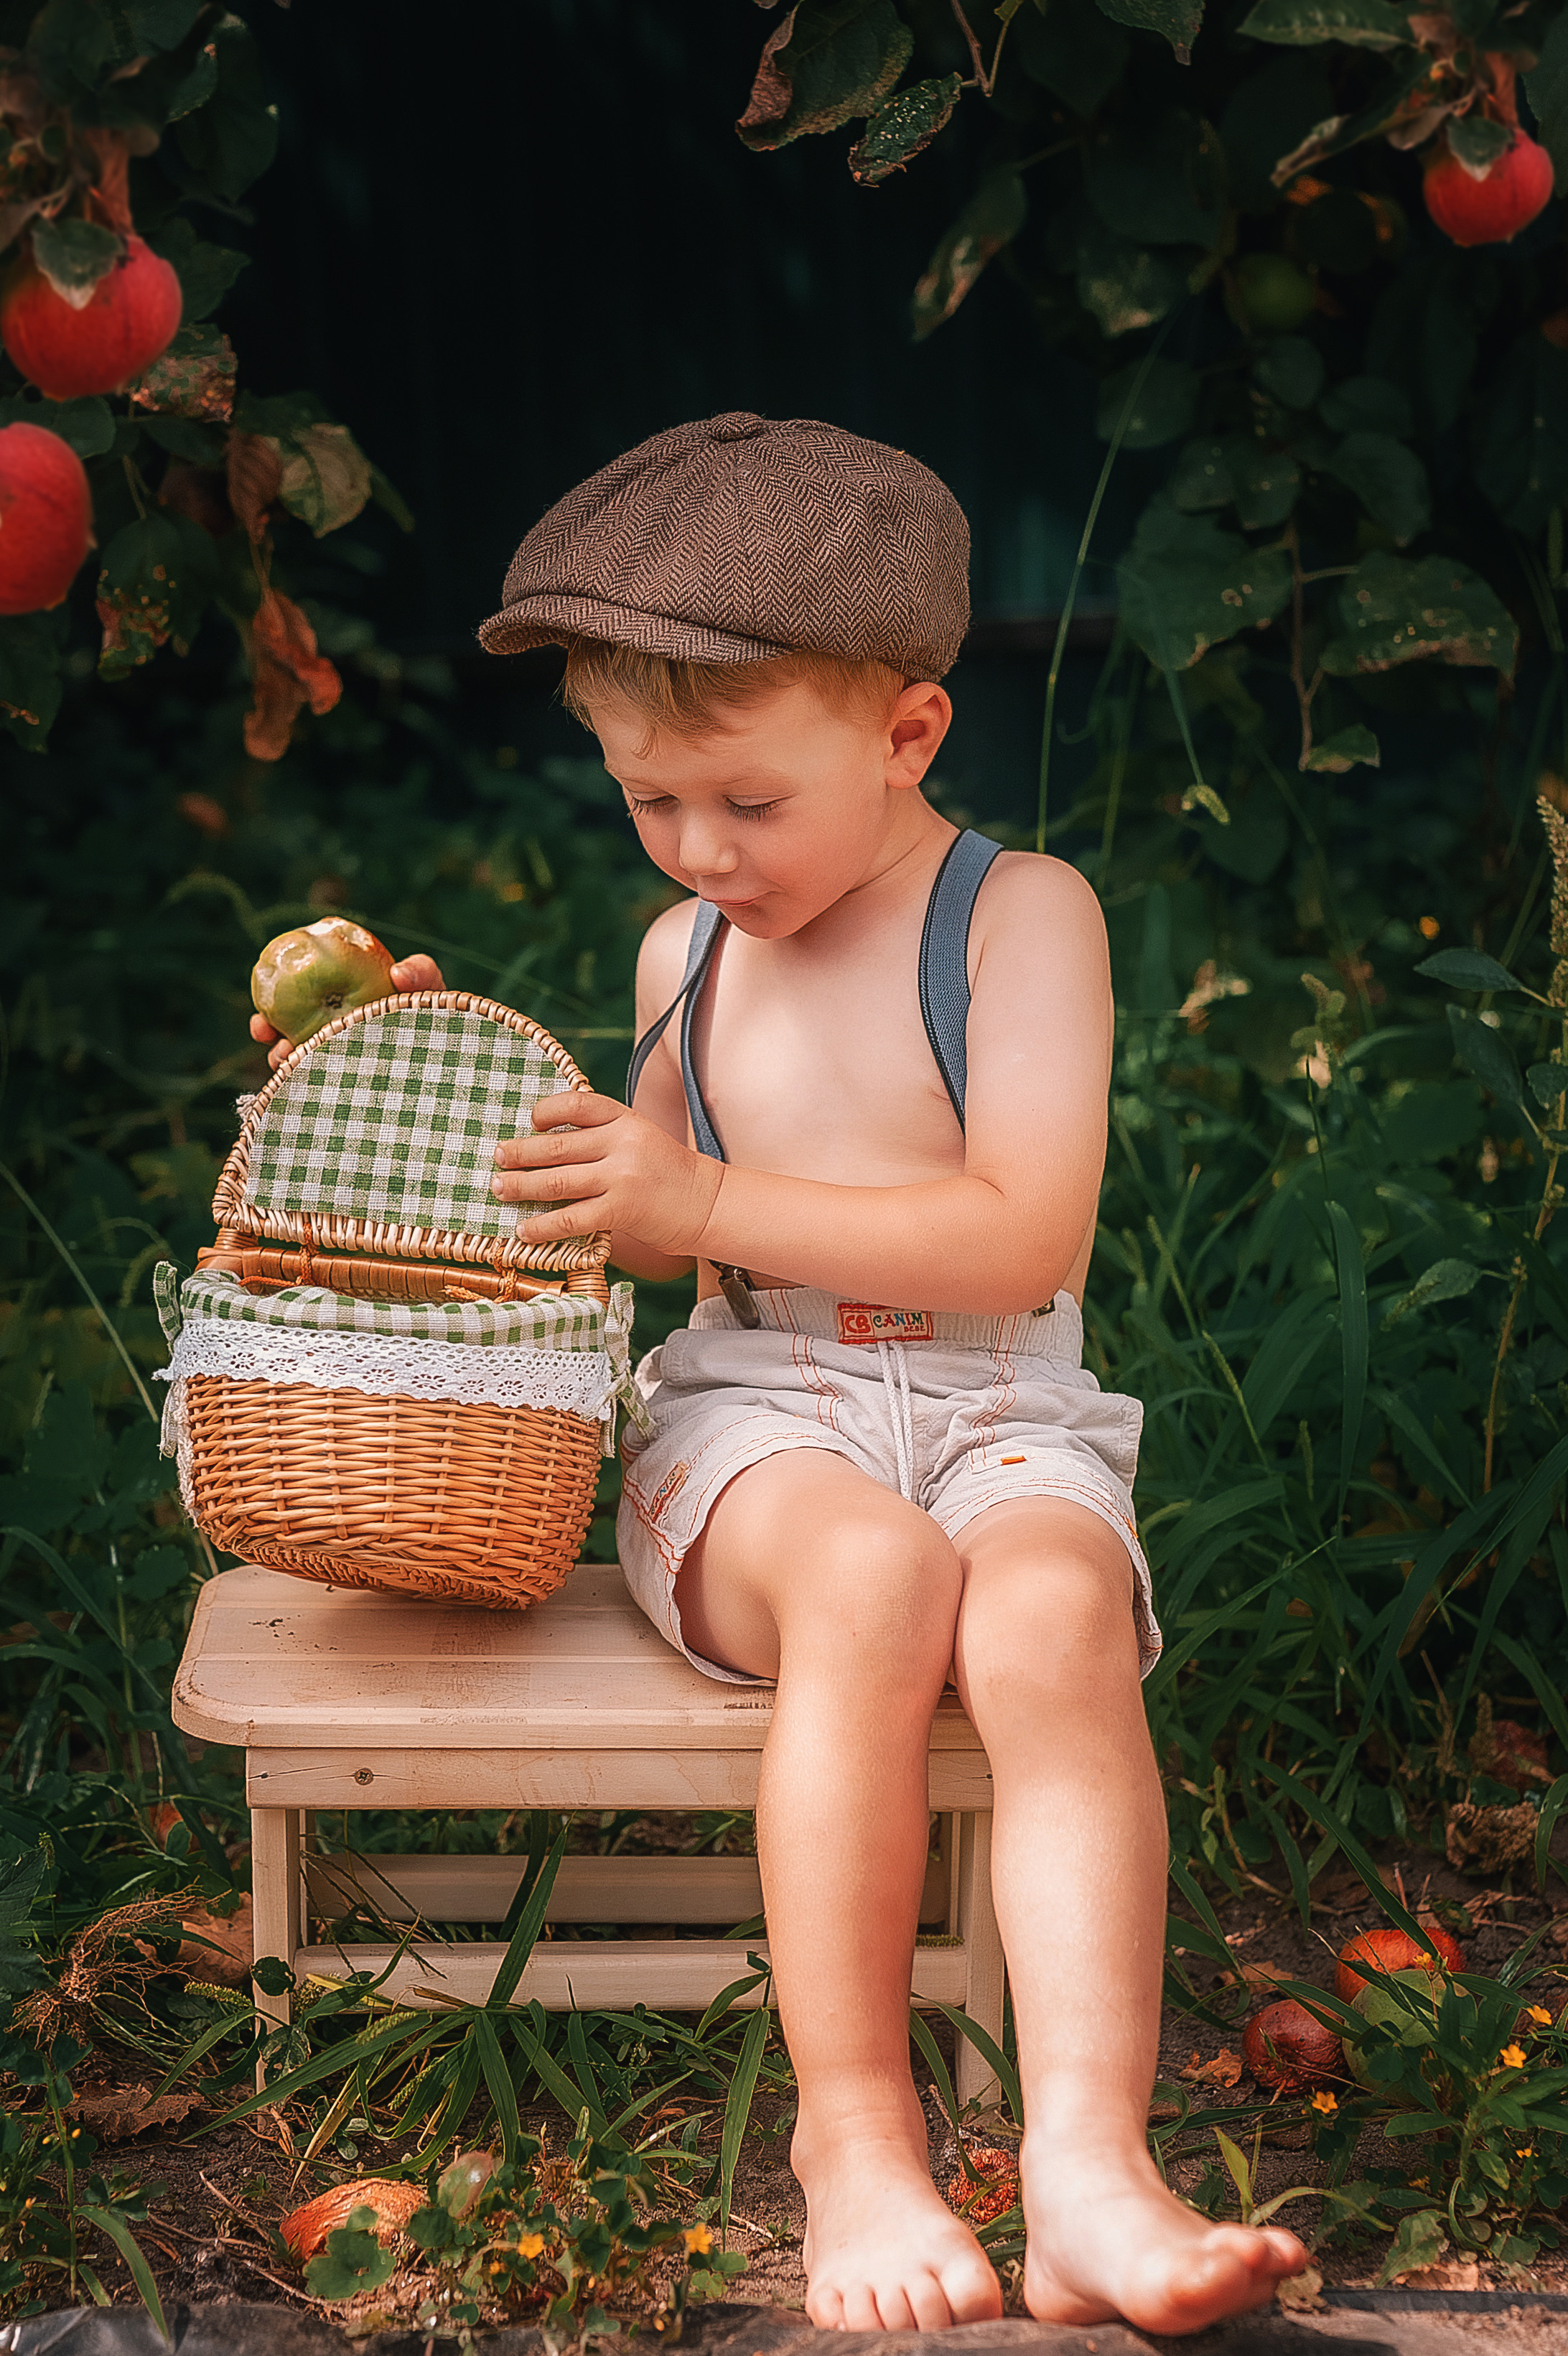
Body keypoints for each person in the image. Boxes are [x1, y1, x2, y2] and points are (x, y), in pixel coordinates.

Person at [252, 414, 1307, 2334]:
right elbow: (646, 1225)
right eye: (650, 799)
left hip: (1000, 1401)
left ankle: (1088, 2163)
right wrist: (461, 1103)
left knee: (1057, 1616)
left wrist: (708, 1183)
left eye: (743, 798)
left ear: (909, 734)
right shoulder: (688, 946)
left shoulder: (1020, 918)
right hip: (761, 1424)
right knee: (878, 1577)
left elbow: (1024, 1235)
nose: (696, 849)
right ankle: (857, 2130)